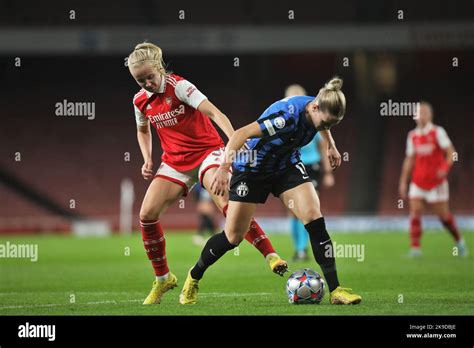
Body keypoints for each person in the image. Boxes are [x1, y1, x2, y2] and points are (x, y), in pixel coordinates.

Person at [128, 42, 288, 305]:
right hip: (174, 163)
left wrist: (234, 144)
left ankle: (270, 255)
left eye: (149, 76)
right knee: (146, 215)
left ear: (159, 68)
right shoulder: (139, 101)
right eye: (139, 79)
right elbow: (142, 130)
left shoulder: (179, 87)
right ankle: (163, 278)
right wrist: (147, 158)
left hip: (207, 153)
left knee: (227, 203)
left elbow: (215, 113)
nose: (146, 83)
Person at [180, 77, 362, 305]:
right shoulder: (284, 119)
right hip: (252, 169)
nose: (325, 128)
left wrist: (331, 144)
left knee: (315, 219)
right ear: (315, 107)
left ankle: (336, 290)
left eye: (331, 126)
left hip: (285, 166)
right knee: (233, 237)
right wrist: (224, 167)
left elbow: (323, 124)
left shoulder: (319, 106)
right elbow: (240, 134)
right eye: (325, 124)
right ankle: (194, 276)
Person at [399, 101, 467, 257]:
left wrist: (444, 169)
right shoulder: (412, 136)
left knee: (444, 217)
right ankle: (415, 248)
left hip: (436, 183)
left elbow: (452, 153)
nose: (420, 116)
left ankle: (459, 241)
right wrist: (403, 181)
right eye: (418, 113)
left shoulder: (438, 132)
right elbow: (409, 160)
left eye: (423, 113)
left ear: (430, 115)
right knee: (415, 211)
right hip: (418, 181)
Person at [284, 84, 335, 261]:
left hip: (311, 167)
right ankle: (299, 248)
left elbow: (323, 148)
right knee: (292, 211)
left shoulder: (314, 122)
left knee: (309, 209)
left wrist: (328, 172)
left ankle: (304, 248)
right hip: (291, 166)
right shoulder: (286, 120)